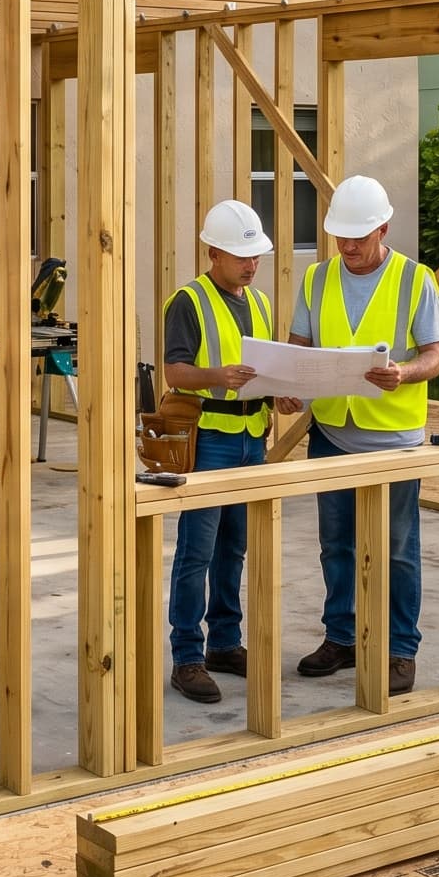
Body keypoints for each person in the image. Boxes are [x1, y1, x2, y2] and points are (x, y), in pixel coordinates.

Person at [282, 175, 439, 697]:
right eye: (341, 237)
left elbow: (435, 355)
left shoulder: (414, 280)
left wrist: (404, 372)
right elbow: (299, 347)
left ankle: (401, 649)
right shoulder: (316, 279)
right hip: (332, 432)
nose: (349, 247)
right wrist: (286, 384)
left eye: (359, 237)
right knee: (337, 546)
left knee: (397, 549)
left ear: (383, 228)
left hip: (393, 438)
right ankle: (343, 636)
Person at [158, 199, 277, 704]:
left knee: (234, 548)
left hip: (253, 438)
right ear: (212, 252)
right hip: (209, 441)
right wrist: (217, 377)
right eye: (240, 256)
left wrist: (280, 392)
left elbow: (263, 369)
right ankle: (187, 657)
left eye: (255, 256)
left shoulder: (261, 303)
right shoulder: (188, 301)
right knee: (197, 552)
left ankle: (226, 643)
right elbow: (175, 372)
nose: (251, 265)